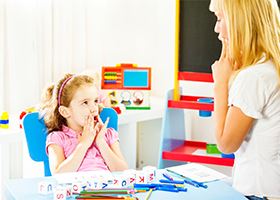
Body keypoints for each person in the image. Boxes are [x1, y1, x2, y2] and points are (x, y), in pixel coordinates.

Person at [209, 0, 280, 199]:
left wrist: (220, 83)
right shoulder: (271, 65)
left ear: (239, 21)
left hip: (259, 192)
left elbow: (226, 144)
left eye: (220, 18)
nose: (217, 29)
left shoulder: (254, 77)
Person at [41, 73, 128, 174]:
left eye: (95, 101)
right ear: (65, 112)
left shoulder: (107, 134)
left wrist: (101, 142)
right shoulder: (57, 138)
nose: (93, 109)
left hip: (106, 188)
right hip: (75, 189)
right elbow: (59, 175)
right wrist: (83, 144)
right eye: (85, 102)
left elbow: (123, 173)